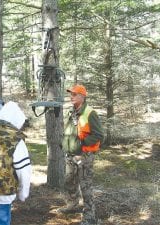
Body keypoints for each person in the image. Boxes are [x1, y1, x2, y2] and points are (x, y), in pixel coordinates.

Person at [59, 84, 104, 225]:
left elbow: (99, 135)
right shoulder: (71, 112)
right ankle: (72, 205)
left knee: (85, 185)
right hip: (70, 154)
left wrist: (81, 144)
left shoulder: (90, 113)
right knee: (69, 181)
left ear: (82, 97)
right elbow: (68, 130)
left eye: (74, 94)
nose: (71, 96)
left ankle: (90, 215)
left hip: (84, 155)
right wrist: (64, 143)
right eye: (70, 94)